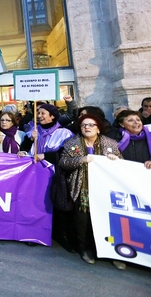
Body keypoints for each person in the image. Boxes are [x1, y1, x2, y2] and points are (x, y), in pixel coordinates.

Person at [58, 114, 123, 269]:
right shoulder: (71, 144)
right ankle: (85, 249)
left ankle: (113, 254)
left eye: (91, 125)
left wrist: (116, 160)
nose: (87, 127)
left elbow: (121, 162)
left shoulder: (110, 143)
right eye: (83, 125)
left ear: (98, 128)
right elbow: (63, 162)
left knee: (107, 221)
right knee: (83, 222)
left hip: (104, 190)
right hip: (83, 188)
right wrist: (81, 160)